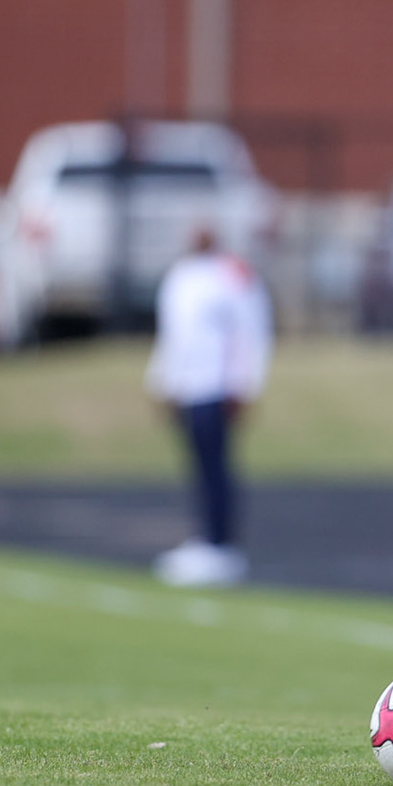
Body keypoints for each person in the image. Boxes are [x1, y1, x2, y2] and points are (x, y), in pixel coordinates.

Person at [148, 225, 272, 589]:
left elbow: (253, 331)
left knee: (218, 467)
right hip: (186, 386)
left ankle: (222, 545)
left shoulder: (233, 275)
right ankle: (206, 540)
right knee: (198, 466)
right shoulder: (180, 276)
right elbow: (172, 334)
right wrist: (162, 382)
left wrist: (246, 384)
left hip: (218, 385)